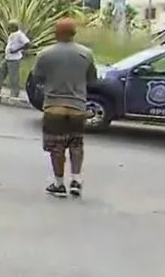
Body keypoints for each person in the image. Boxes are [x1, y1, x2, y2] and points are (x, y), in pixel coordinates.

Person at [32, 19, 97, 198]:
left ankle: (59, 184)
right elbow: (92, 79)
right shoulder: (86, 53)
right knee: (76, 144)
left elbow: (37, 78)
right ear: (74, 33)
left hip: (54, 107)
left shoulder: (45, 54)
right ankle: (76, 180)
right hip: (77, 106)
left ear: (56, 33)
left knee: (56, 147)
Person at [0, 20, 31, 97]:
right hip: (8, 57)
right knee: (1, 72)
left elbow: (28, 44)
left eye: (10, 26)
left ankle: (15, 93)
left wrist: (16, 50)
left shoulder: (20, 35)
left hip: (14, 58)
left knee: (14, 76)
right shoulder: (12, 34)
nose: (8, 28)